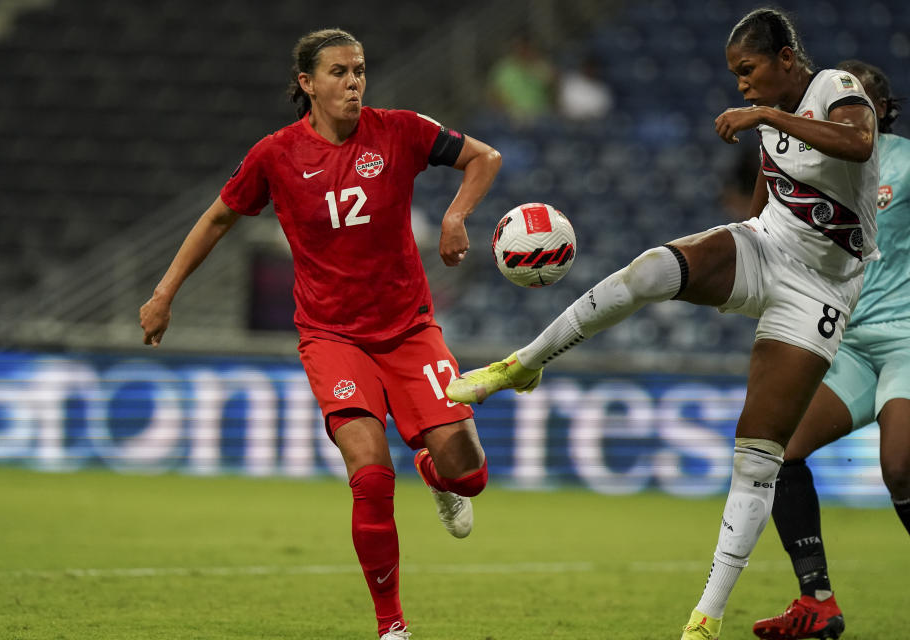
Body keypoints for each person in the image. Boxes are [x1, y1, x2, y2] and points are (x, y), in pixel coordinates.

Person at [446, 8, 879, 640]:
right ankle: (523, 363)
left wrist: (765, 116)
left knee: (758, 455)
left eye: (749, 70)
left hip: (822, 291)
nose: (742, 86)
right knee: (652, 268)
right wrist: (748, 228)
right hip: (767, 246)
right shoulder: (775, 119)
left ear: (787, 57)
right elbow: (776, 178)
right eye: (736, 76)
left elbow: (859, 143)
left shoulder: (835, 88)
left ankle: (706, 617)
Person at [139, 28, 503, 640]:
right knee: (369, 472)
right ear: (307, 83)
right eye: (338, 72)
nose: (354, 82)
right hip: (332, 336)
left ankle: (438, 475)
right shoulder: (276, 155)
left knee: (469, 473)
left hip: (409, 329)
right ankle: (392, 628)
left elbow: (484, 157)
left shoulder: (400, 130)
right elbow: (220, 216)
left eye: (359, 70)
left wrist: (456, 215)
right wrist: (163, 293)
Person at [751, 59, 909, 640]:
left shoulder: (905, 161)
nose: (841, 107)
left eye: (857, 100)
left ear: (881, 111)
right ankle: (816, 602)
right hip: (847, 342)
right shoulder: (806, 165)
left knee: (900, 467)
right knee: (779, 451)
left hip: (906, 341)